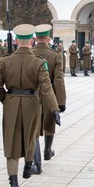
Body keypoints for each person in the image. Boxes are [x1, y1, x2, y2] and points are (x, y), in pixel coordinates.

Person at [0, 24, 61, 187]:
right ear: (31, 41)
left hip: (12, 102)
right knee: (31, 137)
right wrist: (54, 108)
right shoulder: (39, 62)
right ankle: (29, 164)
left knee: (12, 146)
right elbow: (46, 88)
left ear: (15, 41)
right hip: (32, 102)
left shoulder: (4, 61)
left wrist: (6, 99)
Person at [31, 24, 66, 173]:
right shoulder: (55, 55)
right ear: (47, 38)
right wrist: (61, 101)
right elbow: (59, 79)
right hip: (49, 93)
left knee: (34, 129)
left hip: (32, 94)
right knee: (49, 124)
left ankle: (36, 163)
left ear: (35, 38)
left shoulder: (30, 54)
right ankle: (47, 151)